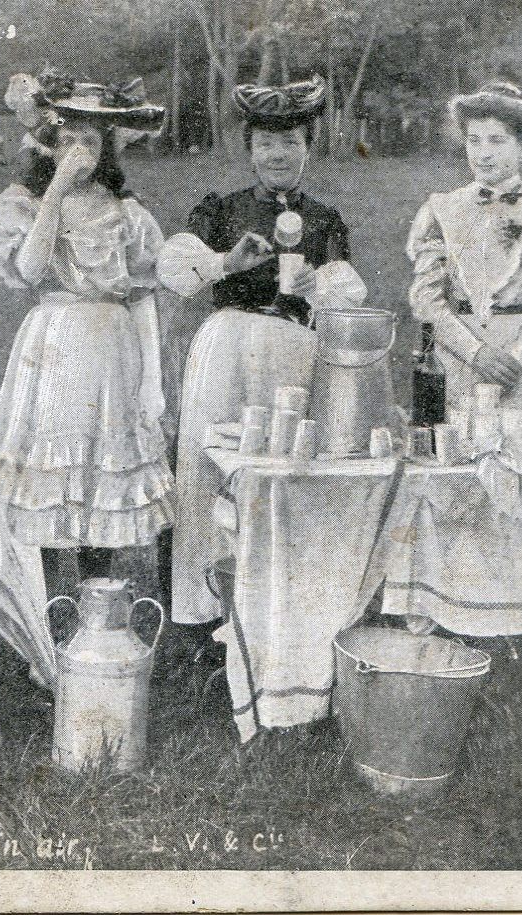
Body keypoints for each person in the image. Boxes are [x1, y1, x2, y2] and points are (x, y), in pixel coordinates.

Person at [157, 76, 368, 628]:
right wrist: (229, 263)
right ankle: (207, 610)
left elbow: (345, 295)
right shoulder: (220, 212)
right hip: (228, 346)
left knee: (288, 467)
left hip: (296, 351)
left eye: (291, 142)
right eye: (267, 144)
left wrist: (316, 288)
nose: (278, 154)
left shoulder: (325, 220)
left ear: (308, 148)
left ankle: (286, 609)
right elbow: (179, 271)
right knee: (215, 467)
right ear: (250, 152)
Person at [0, 69, 174, 590]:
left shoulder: (127, 213)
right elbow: (32, 270)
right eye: (67, 141)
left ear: (107, 148)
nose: (78, 151)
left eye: (90, 141)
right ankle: (51, 608)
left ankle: (96, 602)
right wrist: (57, 190)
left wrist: (152, 384)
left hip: (110, 344)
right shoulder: (27, 205)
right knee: (49, 472)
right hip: (54, 341)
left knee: (99, 471)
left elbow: (143, 294)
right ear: (48, 144)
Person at [404, 82, 522, 528]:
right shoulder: (442, 209)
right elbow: (426, 298)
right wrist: (475, 353)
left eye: (497, 140)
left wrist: (515, 356)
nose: (482, 153)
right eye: (473, 140)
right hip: (461, 358)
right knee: (460, 485)